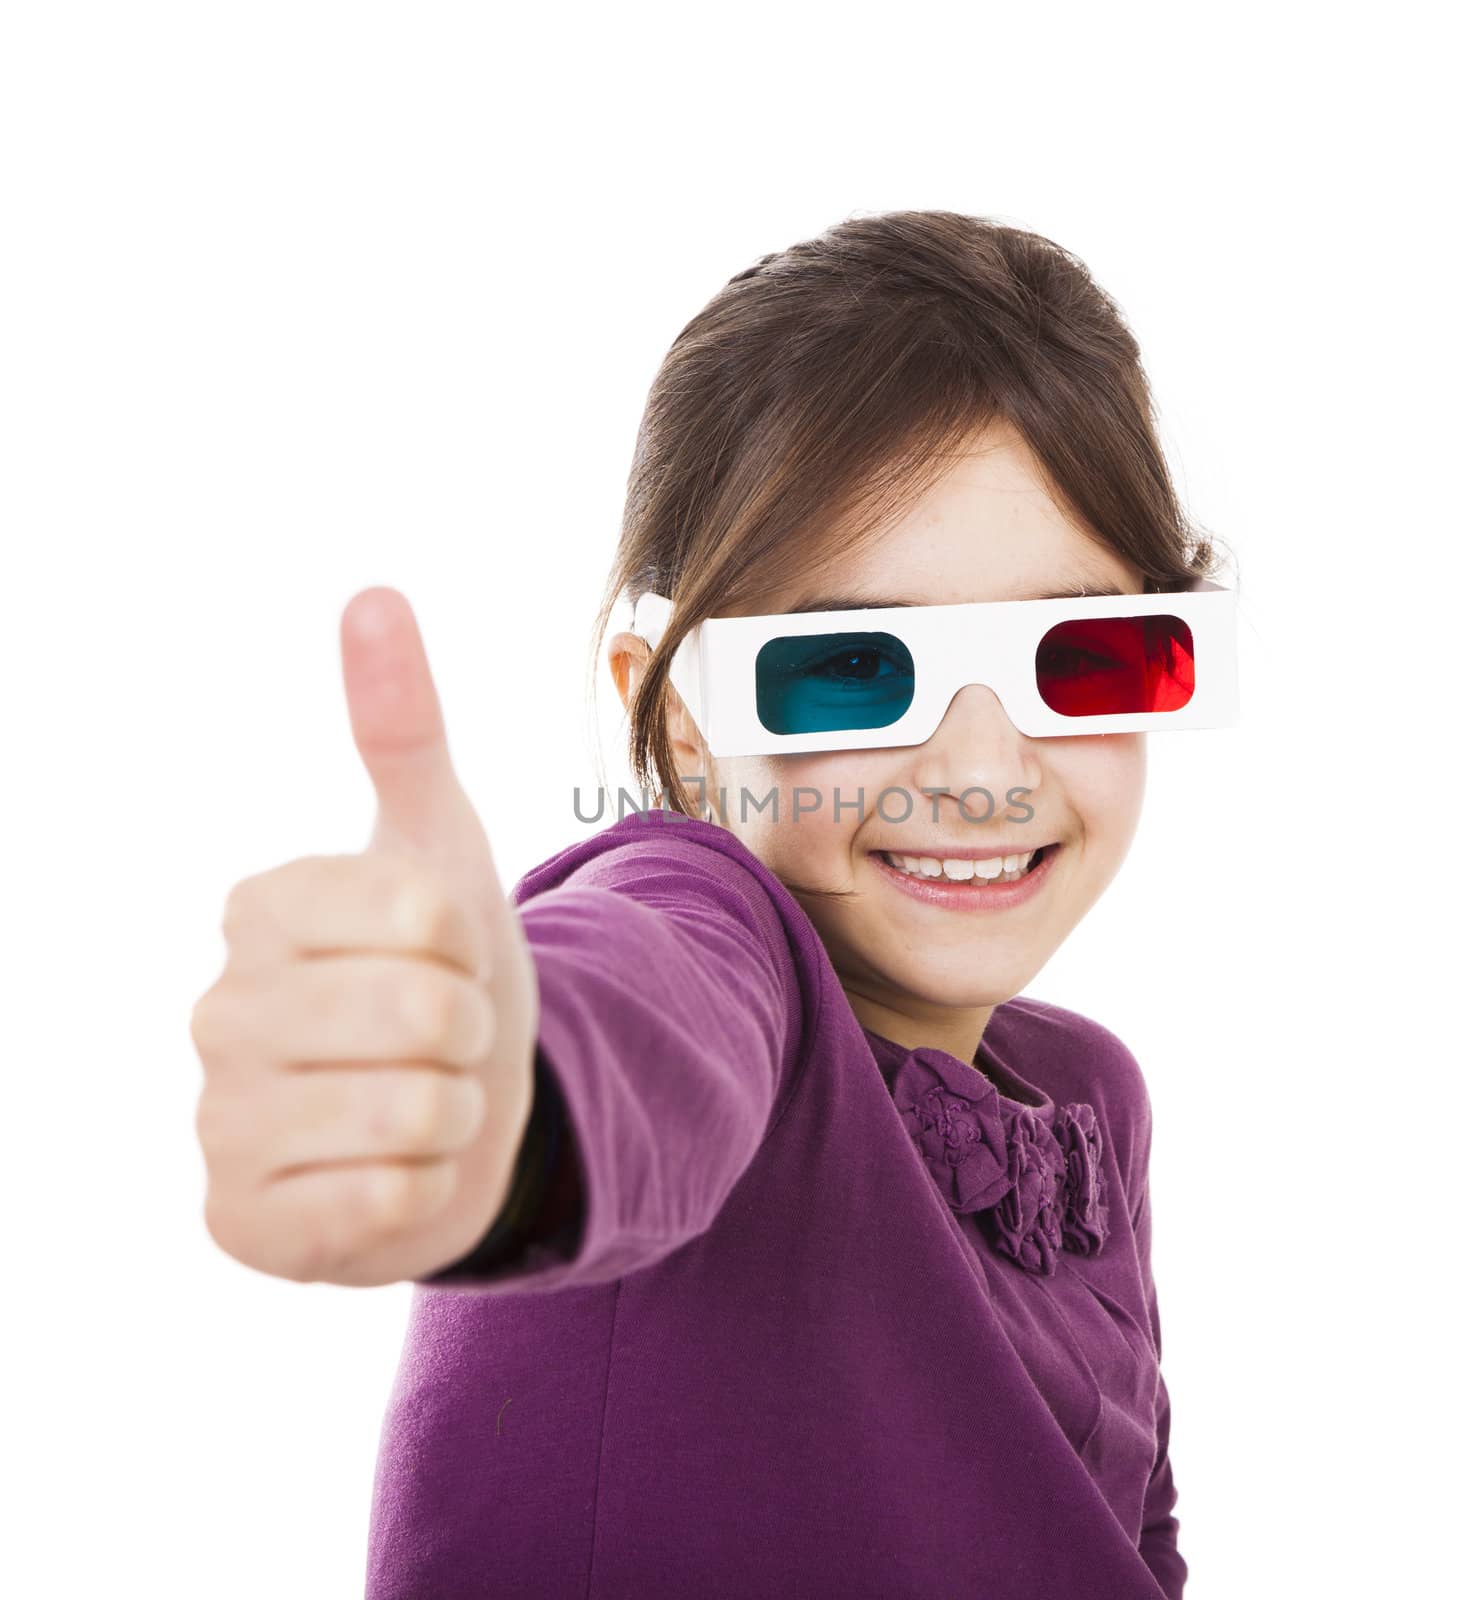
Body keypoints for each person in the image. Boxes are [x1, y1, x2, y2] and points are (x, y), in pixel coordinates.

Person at [191, 208, 1234, 1598]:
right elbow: (634, 1021)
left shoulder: (1089, 1102)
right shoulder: (716, 935)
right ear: (674, 719)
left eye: (1086, 657)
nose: (984, 766)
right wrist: (496, 1106)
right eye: (855, 668)